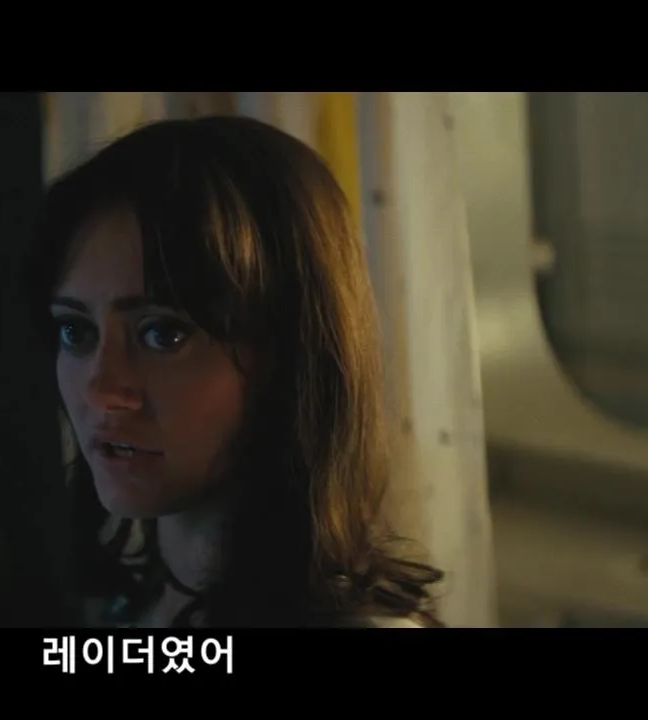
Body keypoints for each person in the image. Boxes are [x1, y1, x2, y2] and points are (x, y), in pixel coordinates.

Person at [25, 115, 443, 628]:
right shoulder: (120, 609)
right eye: (75, 330)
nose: (101, 390)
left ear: (291, 353)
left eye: (163, 334)